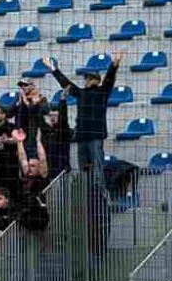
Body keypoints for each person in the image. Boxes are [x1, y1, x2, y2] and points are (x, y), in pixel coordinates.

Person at [43, 53, 123, 191]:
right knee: (83, 170)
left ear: (97, 80)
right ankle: (86, 193)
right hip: (82, 137)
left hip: (95, 137)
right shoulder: (81, 93)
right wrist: (54, 69)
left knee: (97, 168)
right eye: (87, 78)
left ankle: (100, 194)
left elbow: (109, 79)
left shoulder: (102, 92)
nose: (88, 80)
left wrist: (114, 64)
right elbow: (66, 83)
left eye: (91, 78)